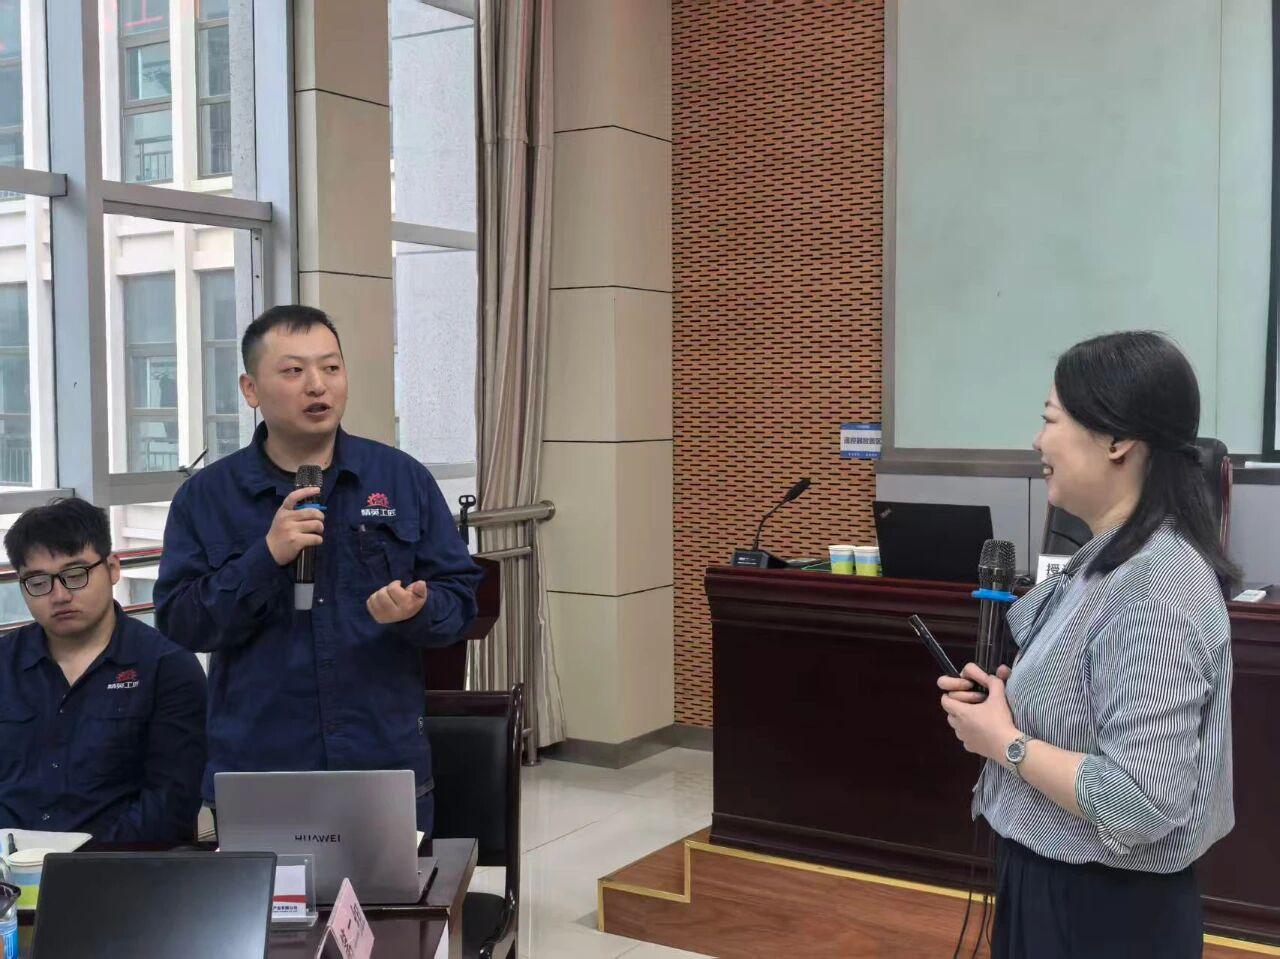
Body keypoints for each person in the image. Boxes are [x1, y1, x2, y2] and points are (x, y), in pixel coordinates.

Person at [938, 331, 1235, 958]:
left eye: (1051, 420)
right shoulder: (1105, 561)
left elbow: (1141, 803)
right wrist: (1002, 706)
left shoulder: (1156, 587)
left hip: (1104, 909)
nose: (1037, 441)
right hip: (1058, 883)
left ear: (1117, 440)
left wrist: (1005, 742)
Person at [153, 305, 481, 835]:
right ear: (250, 389)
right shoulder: (206, 497)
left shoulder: (401, 479)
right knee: (267, 894)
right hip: (259, 769)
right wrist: (265, 557)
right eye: (293, 370)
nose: (316, 385)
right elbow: (181, 622)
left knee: (388, 894)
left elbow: (461, 602)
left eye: (331, 367)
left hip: (381, 761)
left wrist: (418, 610)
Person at [0, 498, 206, 842]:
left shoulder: (167, 668)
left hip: (120, 864)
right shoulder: (5, 663)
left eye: (75, 575)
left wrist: (75, 858)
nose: (59, 595)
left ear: (112, 568)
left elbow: (170, 806)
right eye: (38, 582)